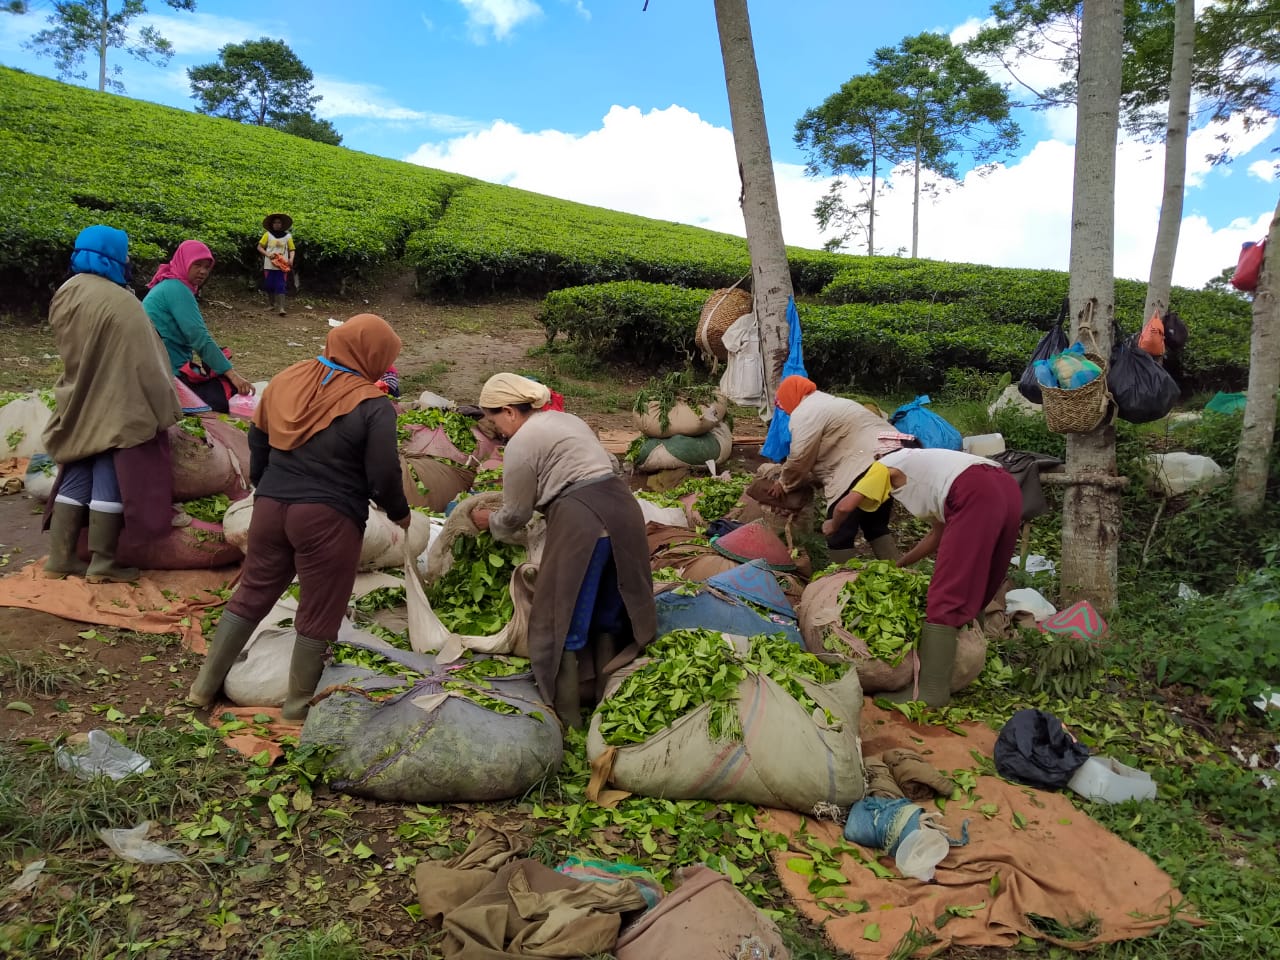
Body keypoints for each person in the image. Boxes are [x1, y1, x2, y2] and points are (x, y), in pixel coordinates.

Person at [188, 313, 409, 720]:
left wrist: (266, 485)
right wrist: (400, 515)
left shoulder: (287, 378)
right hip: (328, 519)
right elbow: (383, 473)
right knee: (319, 609)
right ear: (371, 354)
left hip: (270, 507)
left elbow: (257, 436)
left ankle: (202, 688)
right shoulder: (374, 405)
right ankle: (296, 706)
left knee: (252, 592)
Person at [469, 373, 655, 728]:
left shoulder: (522, 442)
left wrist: (488, 522)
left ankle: (569, 724)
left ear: (509, 411)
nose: (498, 431)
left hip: (583, 522)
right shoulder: (567, 420)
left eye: (494, 421)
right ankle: (606, 707)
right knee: (608, 616)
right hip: (624, 513)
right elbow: (609, 467)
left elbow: (516, 513)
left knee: (561, 620)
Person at [822, 432, 1022, 708]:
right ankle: (967, 663)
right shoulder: (931, 466)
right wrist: (902, 563)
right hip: (1007, 487)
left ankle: (931, 690)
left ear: (879, 455)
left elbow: (846, 506)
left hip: (975, 492)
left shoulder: (885, 464)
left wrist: (832, 525)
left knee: (946, 589)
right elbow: (937, 534)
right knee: (981, 578)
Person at [41, 225, 182, 583]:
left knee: (78, 468)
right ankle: (102, 564)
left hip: (77, 392)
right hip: (116, 399)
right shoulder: (121, 301)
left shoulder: (67, 291)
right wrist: (166, 408)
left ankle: (60, 560)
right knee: (108, 472)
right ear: (117, 255)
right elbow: (147, 362)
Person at [766, 375, 898, 560]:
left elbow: (800, 456)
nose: (787, 413)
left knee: (838, 533)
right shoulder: (830, 402)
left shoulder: (805, 411)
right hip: (891, 458)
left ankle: (843, 585)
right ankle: (899, 574)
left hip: (862, 464)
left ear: (789, 396)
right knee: (875, 525)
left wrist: (784, 483)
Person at [143, 239, 254, 413]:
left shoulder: (168, 285)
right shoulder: (176, 289)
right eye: (197, 265)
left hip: (156, 366)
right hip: (168, 372)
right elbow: (198, 336)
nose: (203, 271)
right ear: (184, 262)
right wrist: (233, 375)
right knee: (229, 395)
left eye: (207, 267)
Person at [257, 213, 295, 316]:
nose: (277, 224)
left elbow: (292, 249)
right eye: (275, 222)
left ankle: (281, 308)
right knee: (269, 285)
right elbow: (259, 247)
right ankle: (271, 304)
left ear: (282, 224)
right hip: (269, 265)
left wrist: (291, 259)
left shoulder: (288, 236)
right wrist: (268, 254)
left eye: (279, 222)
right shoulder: (267, 235)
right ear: (272, 224)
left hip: (282, 266)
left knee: (281, 285)